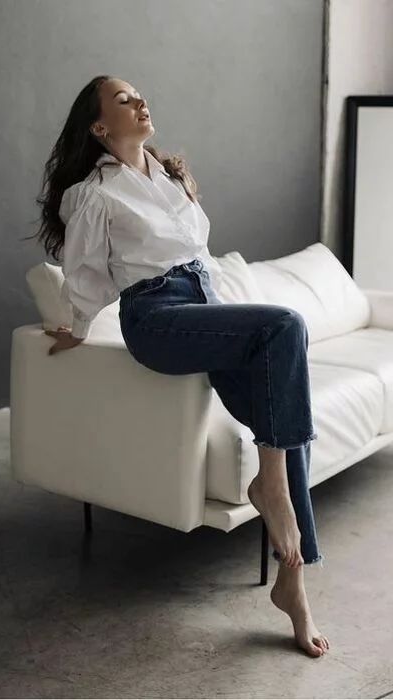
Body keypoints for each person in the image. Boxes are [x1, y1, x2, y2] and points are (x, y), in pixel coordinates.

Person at [31, 75, 329, 658]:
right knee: (285, 326)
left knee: (287, 426)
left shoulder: (169, 176)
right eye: (122, 99)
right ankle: (270, 488)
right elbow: (86, 272)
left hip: (203, 309)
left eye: (139, 94)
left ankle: (293, 580)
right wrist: (81, 329)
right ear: (98, 127)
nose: (140, 101)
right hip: (157, 320)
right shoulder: (93, 191)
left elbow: (199, 258)